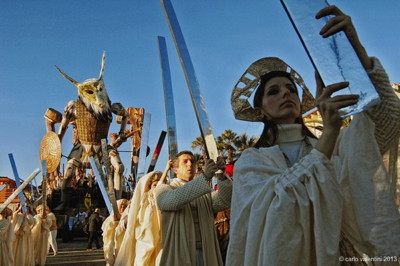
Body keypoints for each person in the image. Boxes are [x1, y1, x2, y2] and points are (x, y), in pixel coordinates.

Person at [226, 5, 400, 266]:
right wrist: (329, 133)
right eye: (273, 91)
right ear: (260, 111)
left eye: (291, 89)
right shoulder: (252, 161)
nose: (286, 93)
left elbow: (388, 120)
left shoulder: (335, 144)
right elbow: (277, 216)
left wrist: (356, 53)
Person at [153, 151, 232, 266]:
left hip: (206, 254)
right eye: (185, 162)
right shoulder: (163, 189)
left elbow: (225, 201)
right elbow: (172, 201)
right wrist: (205, 178)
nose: (190, 164)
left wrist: (221, 175)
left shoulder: (205, 193)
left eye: (193, 161)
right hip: (179, 254)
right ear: (175, 170)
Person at [102, 198, 128, 266]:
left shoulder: (128, 217)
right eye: (121, 206)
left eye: (125, 206)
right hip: (113, 245)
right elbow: (106, 231)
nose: (123, 208)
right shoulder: (110, 218)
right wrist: (114, 222)